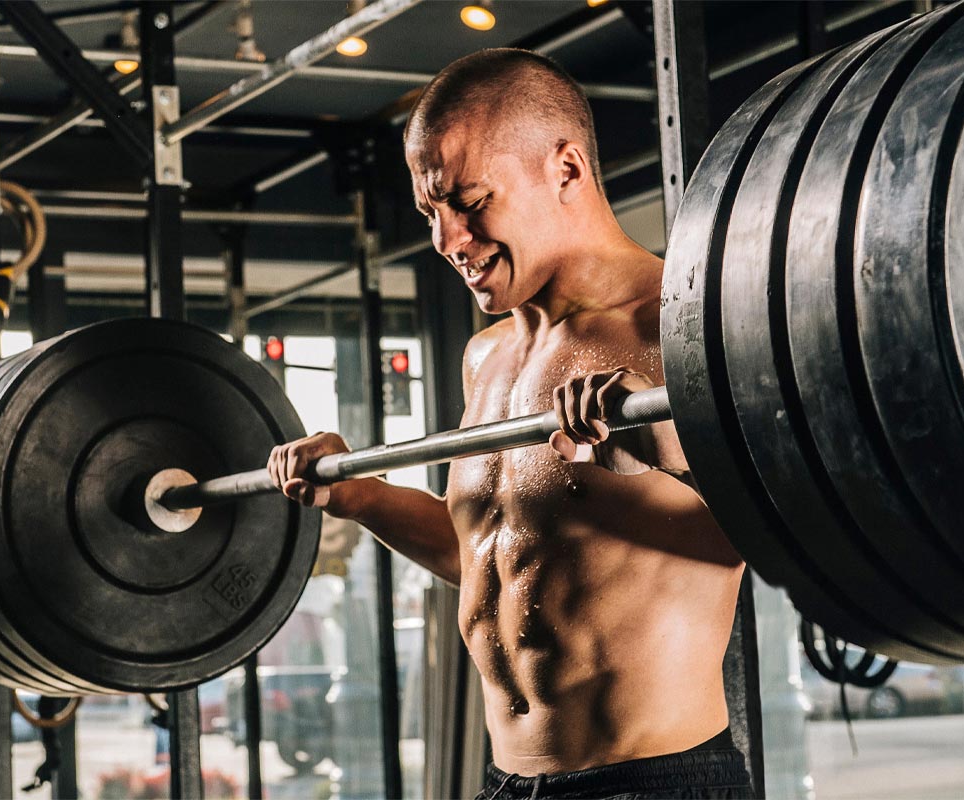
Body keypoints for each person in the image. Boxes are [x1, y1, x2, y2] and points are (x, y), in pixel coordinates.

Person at [267, 48, 752, 800]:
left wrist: (676, 453)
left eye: (468, 201)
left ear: (566, 169)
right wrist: (362, 497)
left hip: (654, 781)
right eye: (431, 212)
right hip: (506, 782)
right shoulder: (487, 356)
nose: (447, 240)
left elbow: (799, 536)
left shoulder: (684, 329)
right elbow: (496, 557)